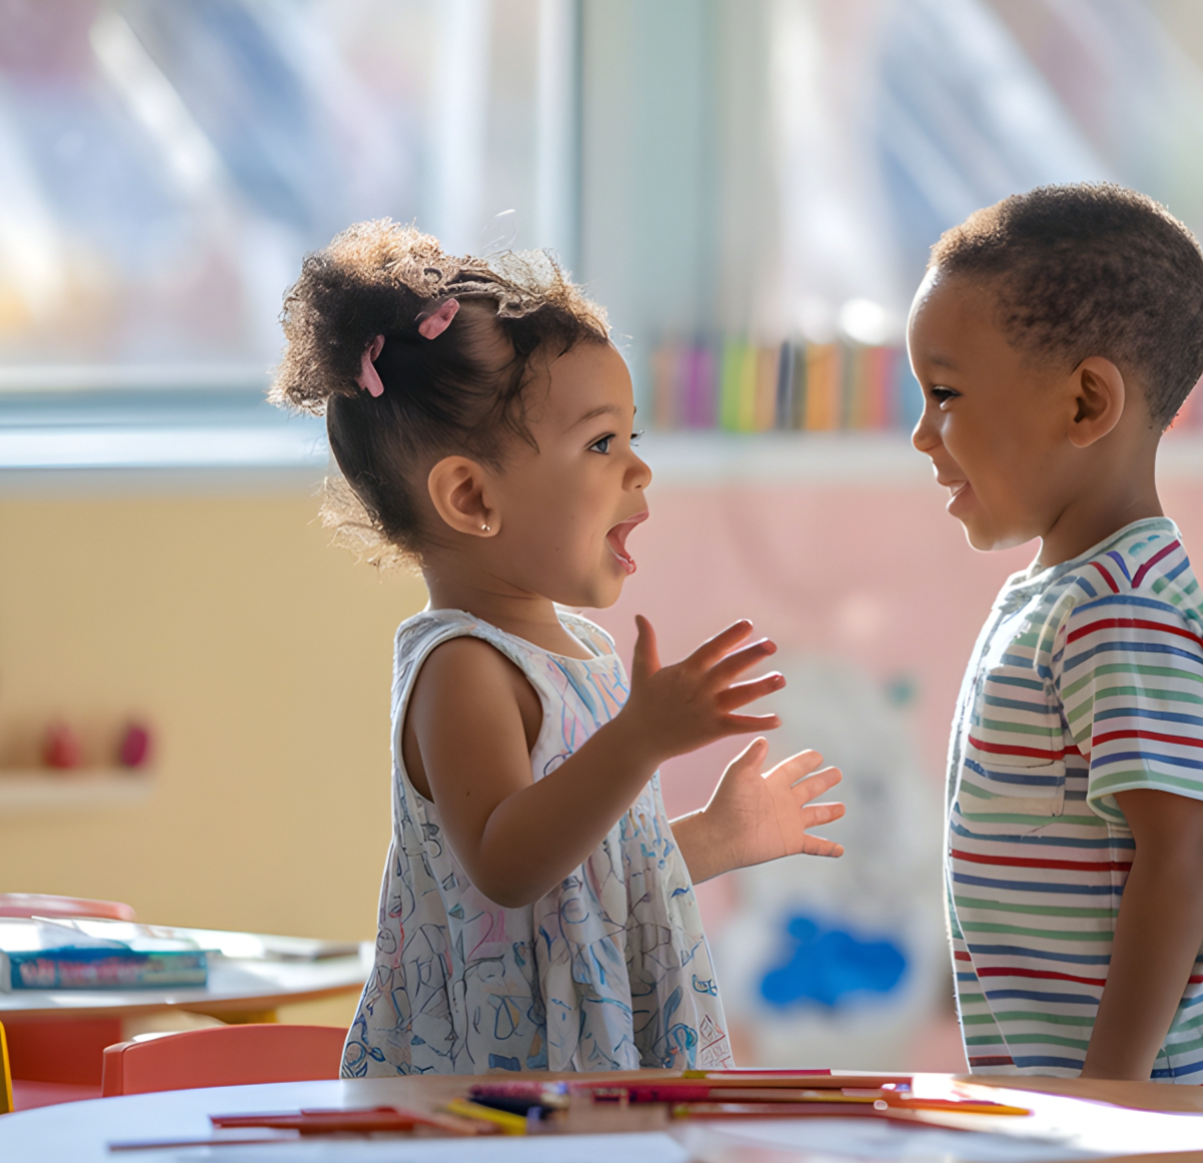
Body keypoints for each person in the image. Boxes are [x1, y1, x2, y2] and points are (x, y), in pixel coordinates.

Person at [270, 221, 845, 1077]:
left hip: (587, 1062)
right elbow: (510, 867)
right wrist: (639, 741)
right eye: (602, 443)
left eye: (633, 440)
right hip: (495, 1089)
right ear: (471, 496)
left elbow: (584, 884)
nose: (639, 472)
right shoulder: (462, 668)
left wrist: (715, 838)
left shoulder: (580, 650)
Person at [908, 184, 1203, 1097]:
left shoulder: (1120, 609)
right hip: (1138, 1092)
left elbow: (1183, 849)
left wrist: (1114, 1093)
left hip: (1184, 1090)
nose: (922, 434)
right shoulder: (1065, 593)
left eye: (944, 395)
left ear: (1087, 402)